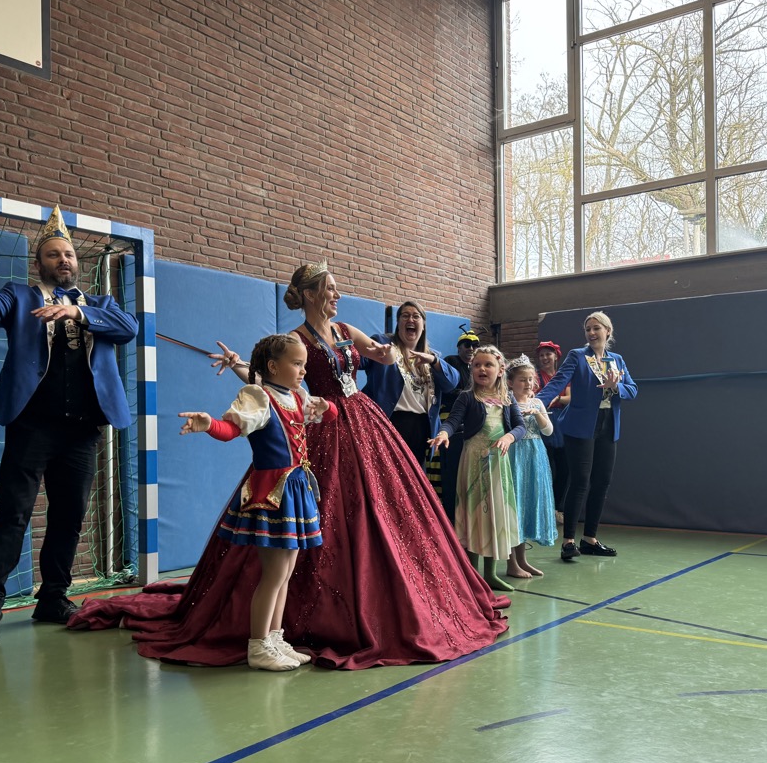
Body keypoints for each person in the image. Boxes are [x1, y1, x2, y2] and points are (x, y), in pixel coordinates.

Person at [72, 260, 509, 669]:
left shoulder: (345, 329)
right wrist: (240, 365)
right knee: (316, 514)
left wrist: (391, 351)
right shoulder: (296, 339)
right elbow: (275, 382)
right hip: (318, 427)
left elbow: (381, 355)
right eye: (330, 289)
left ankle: (292, 626)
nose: (337, 295)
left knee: (380, 507)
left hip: (358, 418)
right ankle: (273, 630)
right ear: (311, 294)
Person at [0, 207, 140, 646]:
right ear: (39, 264)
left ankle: (53, 597)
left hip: (82, 430)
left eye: (68, 254)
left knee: (69, 515)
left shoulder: (100, 305)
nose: (63, 260)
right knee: (13, 513)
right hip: (32, 426)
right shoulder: (20, 296)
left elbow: (127, 328)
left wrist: (76, 314)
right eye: (54, 254)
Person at [176, 334, 336, 670]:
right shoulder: (258, 397)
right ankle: (259, 645)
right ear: (273, 367)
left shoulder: (297, 396)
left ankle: (275, 638)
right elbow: (230, 430)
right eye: (297, 364)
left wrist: (327, 407)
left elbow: (329, 414)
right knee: (274, 574)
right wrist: (208, 424)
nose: (303, 371)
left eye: (304, 364)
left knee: (286, 573)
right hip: (272, 493)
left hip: (296, 488)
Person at [537, 311, 637, 563]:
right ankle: (568, 542)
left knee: (601, 482)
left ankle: (590, 539)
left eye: (596, 328)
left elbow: (632, 389)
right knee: (580, 482)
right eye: (588, 329)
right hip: (579, 427)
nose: (591, 333)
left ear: (607, 331)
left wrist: (616, 387)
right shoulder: (578, 356)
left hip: (607, 425)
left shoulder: (617, 360)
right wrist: (536, 402)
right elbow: (558, 381)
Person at [429, 345, 525, 593]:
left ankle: (490, 574)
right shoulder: (467, 397)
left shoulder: (507, 398)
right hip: (472, 463)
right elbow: (452, 421)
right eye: (477, 365)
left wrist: (509, 438)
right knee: (473, 515)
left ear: (500, 370)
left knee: (494, 516)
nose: (482, 369)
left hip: (498, 464)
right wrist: (443, 433)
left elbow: (520, 426)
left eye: (488, 364)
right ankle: (472, 574)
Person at [363, 300, 458, 467]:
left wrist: (434, 361)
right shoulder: (384, 344)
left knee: (415, 479)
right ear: (398, 323)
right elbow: (358, 359)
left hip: (421, 428)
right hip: (391, 422)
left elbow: (452, 382)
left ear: (423, 325)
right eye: (405, 316)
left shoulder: (431, 357)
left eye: (416, 316)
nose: (410, 320)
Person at [506, 355, 555, 577]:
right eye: (522, 380)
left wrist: (537, 413)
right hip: (514, 455)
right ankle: (511, 563)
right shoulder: (506, 403)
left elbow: (549, 431)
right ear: (510, 382)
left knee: (526, 504)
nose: (527, 384)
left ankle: (522, 560)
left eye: (530, 379)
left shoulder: (537, 403)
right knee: (513, 506)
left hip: (535, 455)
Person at [437, 325, 481, 521]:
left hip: (471, 424)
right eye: (467, 344)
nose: (471, 348)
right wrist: (469, 398)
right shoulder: (451, 362)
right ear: (459, 347)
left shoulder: (476, 367)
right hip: (451, 421)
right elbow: (447, 389)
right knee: (451, 470)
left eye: (475, 345)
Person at [536, 340, 569, 519]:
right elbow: (534, 399)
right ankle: (545, 509)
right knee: (547, 468)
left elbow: (571, 398)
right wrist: (559, 398)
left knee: (564, 469)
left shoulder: (563, 376)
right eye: (541, 355)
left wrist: (557, 399)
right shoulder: (535, 377)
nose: (544, 358)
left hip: (562, 425)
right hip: (543, 423)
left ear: (556, 356)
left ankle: (557, 507)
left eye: (548, 354)